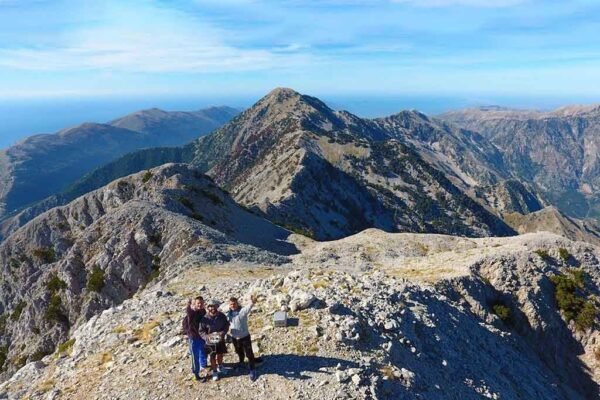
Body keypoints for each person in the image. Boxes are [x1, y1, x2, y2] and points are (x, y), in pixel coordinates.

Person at [227, 295, 260, 381]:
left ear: (237, 304)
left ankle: (252, 369)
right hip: (234, 337)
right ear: (229, 305)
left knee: (249, 353)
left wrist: (253, 301)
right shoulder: (228, 314)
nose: (233, 306)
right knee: (238, 351)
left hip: (244, 336)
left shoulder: (242, 311)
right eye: (231, 304)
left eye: (234, 304)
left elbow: (249, 306)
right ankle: (241, 362)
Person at [199, 299, 230, 381]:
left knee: (220, 354)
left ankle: (220, 366)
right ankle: (215, 371)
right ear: (208, 308)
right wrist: (206, 337)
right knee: (212, 356)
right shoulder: (204, 319)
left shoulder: (221, 316)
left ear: (217, 306)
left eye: (214, 306)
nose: (212, 308)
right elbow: (201, 331)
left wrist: (222, 333)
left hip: (220, 339)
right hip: (210, 341)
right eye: (210, 306)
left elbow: (226, 325)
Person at [183, 296, 207, 382]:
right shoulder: (191, 312)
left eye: (201, 303)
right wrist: (188, 304)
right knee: (195, 356)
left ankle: (203, 365)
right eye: (198, 303)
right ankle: (196, 375)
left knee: (203, 351)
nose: (200, 305)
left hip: (202, 336)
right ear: (195, 304)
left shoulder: (203, 311)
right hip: (193, 338)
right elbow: (188, 310)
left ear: (203, 303)